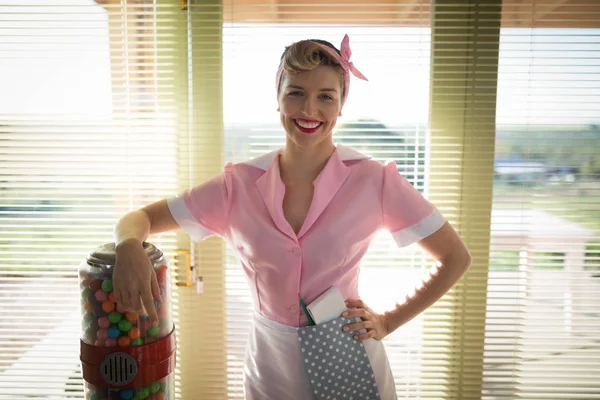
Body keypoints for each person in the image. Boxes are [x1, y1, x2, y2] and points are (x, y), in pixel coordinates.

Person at [112, 34, 471, 399]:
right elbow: (139, 218)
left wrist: (387, 321)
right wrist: (128, 245)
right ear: (279, 98)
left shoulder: (374, 180)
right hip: (270, 364)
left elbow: (455, 258)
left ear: (341, 104)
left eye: (325, 96)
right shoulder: (237, 186)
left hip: (346, 357)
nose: (309, 109)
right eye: (296, 92)